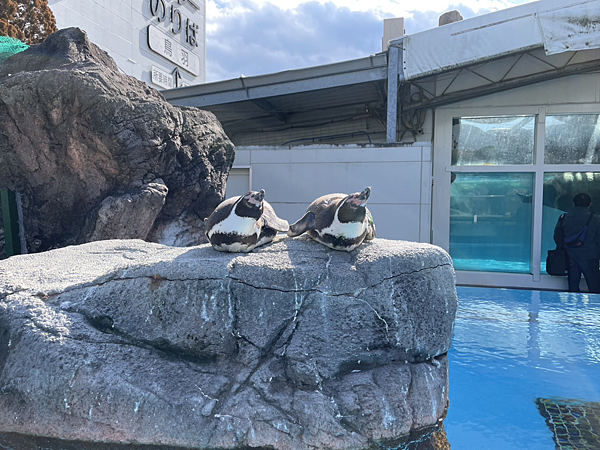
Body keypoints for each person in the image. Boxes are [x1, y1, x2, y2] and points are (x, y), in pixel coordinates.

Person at [553, 193, 600, 293]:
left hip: (570, 255)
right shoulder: (596, 219)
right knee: (594, 288)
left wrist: (563, 249)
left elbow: (558, 237)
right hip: (591, 256)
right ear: (590, 204)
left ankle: (573, 307)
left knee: (573, 288)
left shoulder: (564, 217)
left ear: (574, 203)